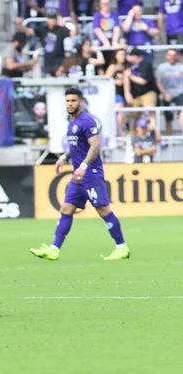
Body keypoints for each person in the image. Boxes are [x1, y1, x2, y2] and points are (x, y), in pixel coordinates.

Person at [30, 87, 130, 261]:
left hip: (90, 174)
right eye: (67, 101)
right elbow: (78, 145)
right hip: (78, 177)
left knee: (103, 209)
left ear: (81, 102)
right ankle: (54, 249)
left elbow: (96, 145)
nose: (70, 104)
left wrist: (83, 166)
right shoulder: (72, 121)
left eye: (73, 100)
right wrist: (64, 156)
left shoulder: (87, 121)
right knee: (66, 209)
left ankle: (121, 247)